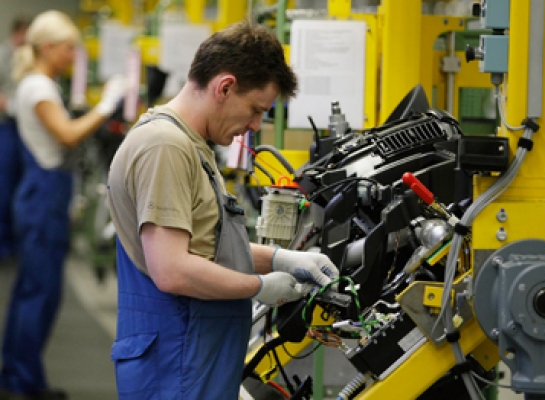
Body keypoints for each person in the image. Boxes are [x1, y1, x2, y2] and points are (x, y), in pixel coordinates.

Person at [107, 20, 339, 399]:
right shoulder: (165, 146)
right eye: (254, 109)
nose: (254, 125)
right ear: (225, 86)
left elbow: (203, 249)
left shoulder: (190, 143)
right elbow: (172, 269)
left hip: (194, 356)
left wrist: (280, 259)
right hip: (176, 360)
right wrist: (261, 287)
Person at [0, 10, 127, 400]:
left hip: (44, 191)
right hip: (43, 195)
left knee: (33, 291)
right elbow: (68, 134)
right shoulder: (39, 87)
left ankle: (20, 376)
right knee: (40, 292)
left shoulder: (39, 84)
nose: (74, 55)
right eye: (69, 48)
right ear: (48, 47)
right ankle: (22, 381)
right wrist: (107, 104)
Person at [0, 16, 29, 261]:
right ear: (17, 33)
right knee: (5, 185)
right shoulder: (3, 56)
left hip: (21, 127)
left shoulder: (24, 58)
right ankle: (4, 244)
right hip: (6, 127)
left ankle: (14, 241)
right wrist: (12, 107)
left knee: (18, 183)